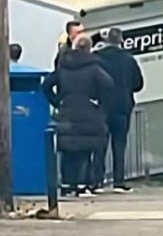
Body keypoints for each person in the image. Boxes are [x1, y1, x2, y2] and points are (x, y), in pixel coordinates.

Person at [42, 34, 114, 197]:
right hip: (88, 113)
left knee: (67, 150)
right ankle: (83, 185)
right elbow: (109, 85)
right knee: (85, 150)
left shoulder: (63, 66)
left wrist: (57, 102)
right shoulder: (94, 67)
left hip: (66, 112)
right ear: (89, 48)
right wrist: (100, 105)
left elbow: (46, 85)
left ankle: (67, 185)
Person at [96, 28, 144, 193]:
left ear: (107, 40)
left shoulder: (97, 57)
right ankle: (118, 181)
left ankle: (97, 181)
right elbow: (138, 84)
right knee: (119, 144)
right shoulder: (128, 59)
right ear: (121, 40)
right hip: (123, 106)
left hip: (102, 105)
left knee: (100, 144)